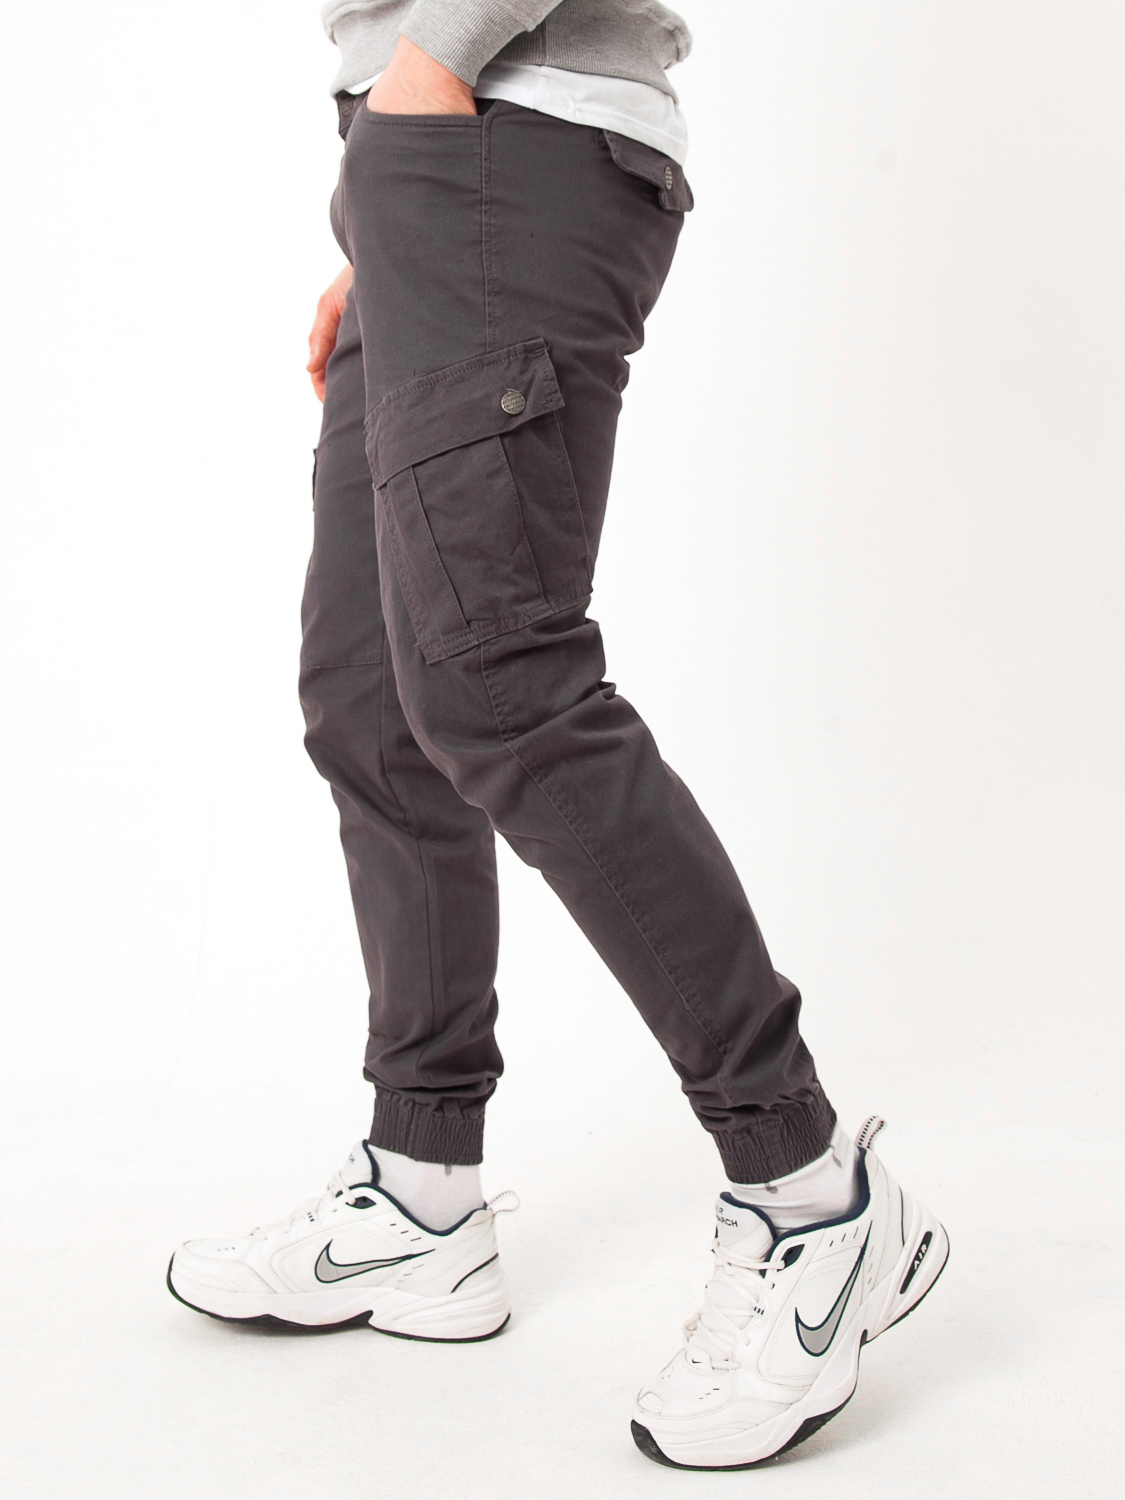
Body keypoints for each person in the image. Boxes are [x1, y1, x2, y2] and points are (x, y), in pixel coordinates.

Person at [167, 0, 947, 1470]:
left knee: (497, 682)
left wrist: (429, 76)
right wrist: (385, 214)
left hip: (498, 125)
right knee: (371, 697)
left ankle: (811, 1192)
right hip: (435, 160)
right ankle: (421, 1191)